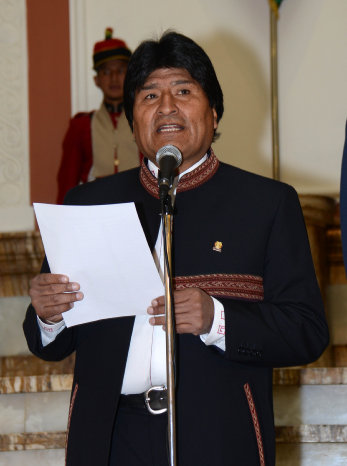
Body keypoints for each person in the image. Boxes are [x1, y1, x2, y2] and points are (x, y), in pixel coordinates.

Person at [24, 31, 329, 466]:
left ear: (215, 112)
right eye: (149, 95)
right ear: (133, 121)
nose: (166, 106)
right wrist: (48, 314)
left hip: (219, 435)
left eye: (183, 91)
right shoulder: (87, 203)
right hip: (111, 439)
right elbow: (48, 344)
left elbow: (307, 331)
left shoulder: (266, 203)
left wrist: (217, 319)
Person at [56, 28, 140, 204]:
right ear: (97, 80)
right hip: (95, 207)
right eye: (107, 72)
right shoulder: (81, 126)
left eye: (121, 70)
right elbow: (67, 180)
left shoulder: (142, 120)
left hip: (138, 206)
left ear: (130, 76)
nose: (114, 78)